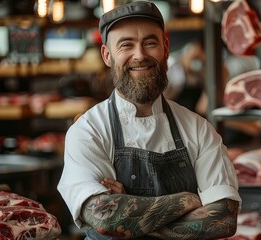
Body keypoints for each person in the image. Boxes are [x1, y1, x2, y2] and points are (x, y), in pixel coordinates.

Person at [57, 1, 241, 239]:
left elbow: (224, 219)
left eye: (150, 43)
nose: (140, 55)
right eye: (126, 45)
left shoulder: (198, 128)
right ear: (107, 55)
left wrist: (130, 213)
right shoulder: (88, 131)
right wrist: (190, 199)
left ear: (165, 47)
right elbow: (104, 217)